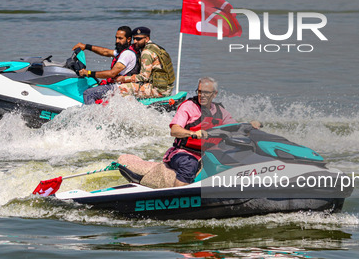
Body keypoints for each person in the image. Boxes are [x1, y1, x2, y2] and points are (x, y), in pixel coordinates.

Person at [117, 77, 261, 188]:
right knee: (189, 166)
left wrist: (249, 126)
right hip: (183, 153)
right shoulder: (188, 106)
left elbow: (234, 127)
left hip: (208, 154)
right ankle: (178, 196)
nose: (202, 95)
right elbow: (175, 130)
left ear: (215, 94)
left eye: (206, 93)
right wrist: (193, 133)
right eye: (199, 92)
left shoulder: (220, 111)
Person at [72, 26, 140, 104]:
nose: (117, 41)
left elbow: (112, 73)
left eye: (120, 38)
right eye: (116, 38)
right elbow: (105, 52)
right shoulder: (123, 51)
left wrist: (88, 73)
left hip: (119, 87)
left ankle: (94, 115)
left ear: (128, 39)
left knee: (88, 93)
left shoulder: (127, 54)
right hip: (117, 85)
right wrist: (86, 46)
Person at [114, 27, 175, 99]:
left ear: (146, 39)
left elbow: (144, 77)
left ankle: (131, 108)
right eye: (134, 39)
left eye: (139, 39)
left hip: (159, 90)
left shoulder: (146, 52)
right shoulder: (155, 47)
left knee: (122, 88)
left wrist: (123, 79)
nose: (135, 41)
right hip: (166, 87)